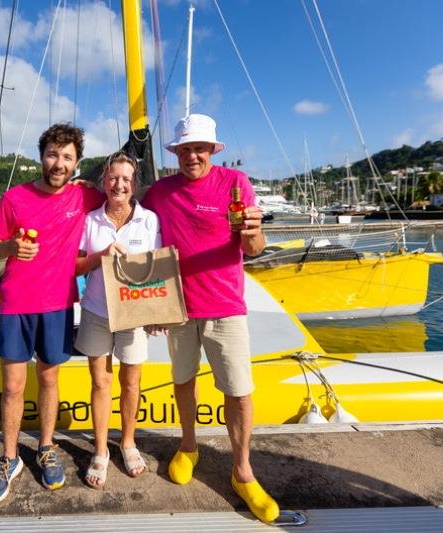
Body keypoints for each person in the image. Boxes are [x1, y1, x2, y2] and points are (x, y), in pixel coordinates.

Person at [142, 114, 280, 523]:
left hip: (224, 305)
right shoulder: (160, 192)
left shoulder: (235, 184)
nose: (192, 156)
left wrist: (253, 230)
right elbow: (136, 233)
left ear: (212, 150)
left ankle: (242, 471)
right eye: (184, 149)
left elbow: (254, 248)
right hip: (178, 308)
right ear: (176, 154)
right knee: (182, 381)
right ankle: (188, 446)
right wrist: (148, 305)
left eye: (199, 148)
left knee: (238, 391)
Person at [0, 123, 103, 504]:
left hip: (57, 304)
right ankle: (9, 457)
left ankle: (46, 447)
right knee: (14, 387)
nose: (59, 162)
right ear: (42, 156)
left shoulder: (85, 197)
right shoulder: (15, 197)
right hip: (17, 303)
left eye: (67, 157)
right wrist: (12, 247)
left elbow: (122, 199)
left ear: (77, 163)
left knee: (49, 381)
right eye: (53, 154)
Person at [74, 151, 161, 488]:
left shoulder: (149, 221)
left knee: (131, 382)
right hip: (96, 309)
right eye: (113, 178)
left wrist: (156, 313)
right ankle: (99, 449)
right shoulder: (89, 220)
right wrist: (101, 256)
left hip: (134, 313)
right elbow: (77, 266)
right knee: (100, 383)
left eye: (126, 179)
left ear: (134, 184)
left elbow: (156, 269)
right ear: (104, 182)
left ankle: (127, 442)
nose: (119, 184)